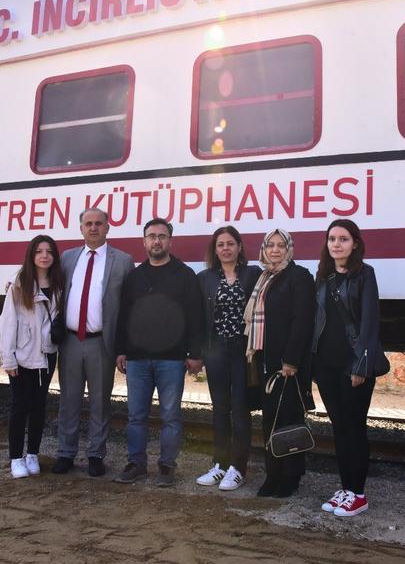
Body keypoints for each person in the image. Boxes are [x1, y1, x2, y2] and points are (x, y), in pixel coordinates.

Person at [114, 218, 203, 487]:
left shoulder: (185, 275)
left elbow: (195, 317)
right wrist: (120, 350)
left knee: (170, 416)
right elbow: (124, 315)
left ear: (170, 241)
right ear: (144, 241)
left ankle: (166, 466)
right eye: (151, 236)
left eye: (162, 236)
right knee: (136, 416)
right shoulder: (135, 276)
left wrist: (195, 353)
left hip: (172, 359)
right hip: (138, 359)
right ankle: (136, 464)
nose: (156, 241)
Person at [310, 219, 387, 517]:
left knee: (355, 428)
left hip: (353, 365)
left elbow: (369, 324)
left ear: (355, 244)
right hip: (326, 365)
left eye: (343, 239)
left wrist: (361, 365)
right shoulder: (323, 276)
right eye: (332, 239)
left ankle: (358, 494)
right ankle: (345, 489)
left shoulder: (365, 274)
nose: (336, 244)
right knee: (339, 428)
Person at [53, 208, 134, 477]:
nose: (93, 228)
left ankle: (96, 455)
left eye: (99, 223)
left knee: (100, 401)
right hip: (70, 341)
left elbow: (128, 306)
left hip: (102, 343)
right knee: (69, 400)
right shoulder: (67, 258)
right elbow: (50, 286)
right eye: (88, 223)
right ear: (81, 228)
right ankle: (65, 453)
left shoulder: (122, 261)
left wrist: (123, 347)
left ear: (108, 227)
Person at [245, 228, 315, 498]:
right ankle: (273, 475)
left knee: (289, 419)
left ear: (289, 249)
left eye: (280, 245)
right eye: (270, 245)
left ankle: (291, 477)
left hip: (288, 365)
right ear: (264, 249)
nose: (275, 250)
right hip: (266, 360)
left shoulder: (299, 276)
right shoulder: (265, 277)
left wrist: (291, 360)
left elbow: (302, 320)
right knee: (270, 420)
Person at [195, 226, 261, 491]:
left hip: (242, 351)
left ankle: (237, 468)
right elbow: (199, 318)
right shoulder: (205, 278)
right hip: (216, 350)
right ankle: (219, 465)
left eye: (230, 243)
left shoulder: (253, 274)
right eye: (220, 244)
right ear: (215, 249)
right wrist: (197, 353)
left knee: (240, 409)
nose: (225, 248)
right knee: (220, 409)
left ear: (239, 247)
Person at [0, 235, 63, 479]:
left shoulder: (59, 284)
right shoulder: (19, 284)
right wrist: (8, 358)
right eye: (39, 251)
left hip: (47, 354)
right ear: (31, 255)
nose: (44, 256)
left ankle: (32, 454)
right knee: (20, 406)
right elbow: (7, 323)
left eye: (49, 251)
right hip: (23, 354)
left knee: (39, 406)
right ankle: (16, 458)